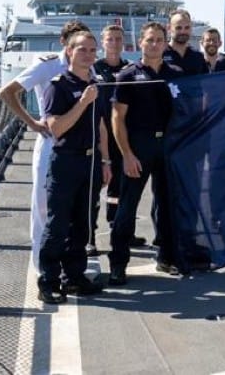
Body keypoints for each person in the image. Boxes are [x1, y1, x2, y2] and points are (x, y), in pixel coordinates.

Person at [0, 19, 91, 270]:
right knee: (43, 206)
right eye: (74, 40)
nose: (81, 47)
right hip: (52, 143)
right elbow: (7, 92)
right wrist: (31, 122)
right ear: (64, 42)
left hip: (78, 147)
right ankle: (41, 266)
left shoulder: (88, 67)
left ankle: (68, 267)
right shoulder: (47, 65)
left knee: (74, 208)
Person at [36, 30, 112, 304]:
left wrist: (106, 161)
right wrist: (82, 102)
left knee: (83, 223)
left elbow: (101, 126)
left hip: (90, 162)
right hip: (66, 160)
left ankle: (74, 277)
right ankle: (48, 281)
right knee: (58, 225)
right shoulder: (58, 86)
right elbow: (56, 128)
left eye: (92, 50)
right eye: (82, 49)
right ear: (69, 51)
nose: (88, 55)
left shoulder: (95, 84)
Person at [108, 22, 182, 284]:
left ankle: (166, 257)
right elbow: (117, 118)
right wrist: (127, 155)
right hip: (138, 147)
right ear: (140, 42)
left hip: (167, 148)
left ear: (165, 43)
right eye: (150, 40)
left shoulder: (175, 73)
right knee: (127, 208)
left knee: (167, 205)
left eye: (159, 40)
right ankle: (118, 264)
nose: (154, 44)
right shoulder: (128, 75)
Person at [91, 24, 132, 254]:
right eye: (110, 39)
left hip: (122, 136)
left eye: (118, 39)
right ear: (103, 42)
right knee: (94, 188)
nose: (114, 43)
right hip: (98, 136)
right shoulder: (94, 69)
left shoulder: (130, 69)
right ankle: (89, 237)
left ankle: (120, 231)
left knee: (120, 188)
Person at [163, 9, 208, 76]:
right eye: (178, 28)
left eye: (187, 27)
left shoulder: (198, 56)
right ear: (169, 28)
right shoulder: (159, 55)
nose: (183, 32)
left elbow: (206, 81)